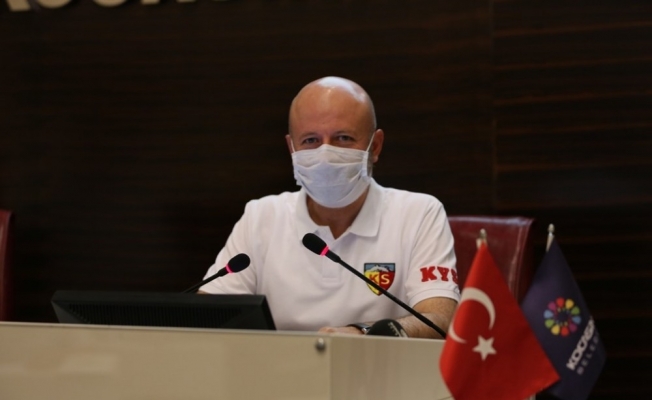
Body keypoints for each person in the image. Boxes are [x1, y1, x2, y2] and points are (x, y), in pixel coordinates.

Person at [199, 76, 459, 338]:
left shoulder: (418, 213)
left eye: (343, 138)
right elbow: (210, 315)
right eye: (310, 140)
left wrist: (364, 334)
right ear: (291, 148)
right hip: (278, 364)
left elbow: (439, 320)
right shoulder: (261, 216)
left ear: (375, 146)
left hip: (377, 362)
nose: (325, 154)